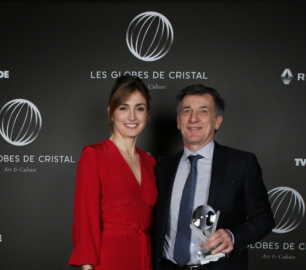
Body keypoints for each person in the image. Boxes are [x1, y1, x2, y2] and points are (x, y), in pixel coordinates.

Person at [153, 84, 274, 270]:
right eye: (187, 111)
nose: (193, 118)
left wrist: (232, 236)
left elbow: (264, 219)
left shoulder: (242, 163)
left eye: (203, 111)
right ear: (178, 121)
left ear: (217, 121)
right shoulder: (162, 168)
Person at [68, 76, 158, 270]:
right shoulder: (94, 155)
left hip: (144, 257)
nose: (132, 117)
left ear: (147, 115)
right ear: (111, 113)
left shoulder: (149, 162)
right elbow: (85, 220)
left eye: (139, 108)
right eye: (123, 108)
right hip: (108, 258)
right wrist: (87, 267)